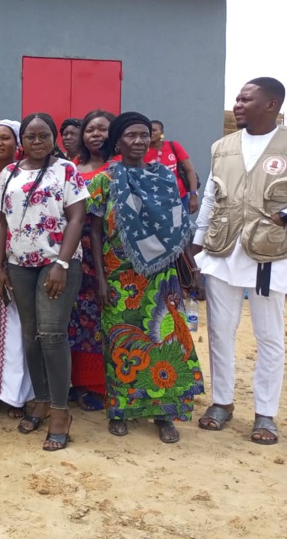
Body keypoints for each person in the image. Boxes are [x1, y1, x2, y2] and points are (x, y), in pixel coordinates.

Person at [89, 112, 205, 443]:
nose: (139, 141)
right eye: (130, 136)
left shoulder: (165, 180)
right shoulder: (104, 181)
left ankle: (163, 414)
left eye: (144, 135)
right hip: (118, 277)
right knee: (121, 344)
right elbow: (95, 231)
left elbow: (177, 232)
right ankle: (121, 410)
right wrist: (99, 276)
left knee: (166, 341)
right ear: (117, 141)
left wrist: (192, 271)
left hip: (161, 277)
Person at [194, 77, 287, 445]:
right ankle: (222, 402)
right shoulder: (223, 146)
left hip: (270, 254)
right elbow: (210, 197)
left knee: (269, 337)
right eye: (237, 98)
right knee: (220, 331)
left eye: (246, 99)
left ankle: (265, 413)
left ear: (271, 104)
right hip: (222, 251)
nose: (238, 104)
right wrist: (196, 243)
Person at [0, 112, 87, 451]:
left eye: (42, 135)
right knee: (31, 335)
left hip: (55, 264)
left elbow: (77, 217)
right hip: (19, 264)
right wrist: (0, 266)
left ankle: (61, 412)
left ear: (52, 138)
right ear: (23, 141)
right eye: (30, 136)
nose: (36, 141)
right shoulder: (9, 173)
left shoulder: (66, 170)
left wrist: (61, 263)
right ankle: (42, 400)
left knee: (51, 334)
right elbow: (1, 221)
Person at [0, 120, 33, 417]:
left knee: (18, 326)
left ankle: (17, 394)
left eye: (5, 138)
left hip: (18, 257)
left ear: (17, 142)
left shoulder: (25, 175)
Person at [68, 110, 114, 412]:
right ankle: (78, 381)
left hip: (106, 251)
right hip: (72, 249)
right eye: (90, 129)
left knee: (100, 318)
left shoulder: (119, 168)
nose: (95, 134)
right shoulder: (70, 166)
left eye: (102, 129)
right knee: (74, 317)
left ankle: (100, 385)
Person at [145, 120, 200, 213]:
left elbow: (190, 170)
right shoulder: (142, 151)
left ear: (161, 133)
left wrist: (193, 196)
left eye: (154, 130)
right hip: (154, 201)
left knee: (180, 226)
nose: (151, 133)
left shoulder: (173, 146)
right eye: (148, 130)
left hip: (179, 198)